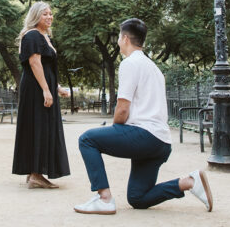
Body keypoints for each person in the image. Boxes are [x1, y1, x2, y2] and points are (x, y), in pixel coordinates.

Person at [73, 18, 213, 215]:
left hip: (144, 136)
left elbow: (122, 109)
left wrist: (116, 132)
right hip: (160, 142)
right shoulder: (153, 67)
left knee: (87, 139)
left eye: (119, 39)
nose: (119, 43)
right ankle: (188, 182)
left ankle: (104, 198)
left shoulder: (130, 63)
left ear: (125, 39)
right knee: (137, 198)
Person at [12, 1, 71, 188]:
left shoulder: (43, 37)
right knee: (38, 127)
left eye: (51, 13)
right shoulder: (32, 36)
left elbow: (46, 68)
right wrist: (46, 90)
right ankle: (36, 173)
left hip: (41, 87)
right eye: (45, 14)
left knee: (40, 126)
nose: (49, 17)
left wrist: (56, 87)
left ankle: (34, 172)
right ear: (36, 16)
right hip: (36, 90)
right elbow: (35, 64)